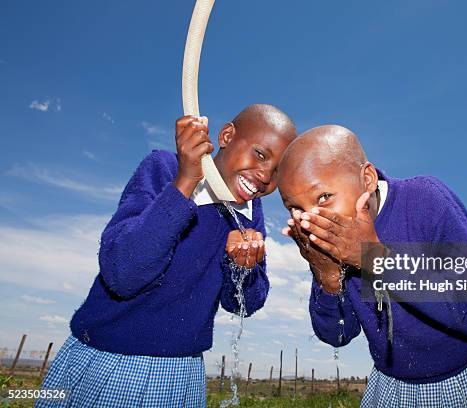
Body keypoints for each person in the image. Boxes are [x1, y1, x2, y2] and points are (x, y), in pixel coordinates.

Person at [36, 104, 297, 407]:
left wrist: (242, 268)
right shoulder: (165, 170)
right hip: (102, 359)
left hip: (179, 373)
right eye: (260, 155)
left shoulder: (250, 215)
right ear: (226, 136)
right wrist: (184, 183)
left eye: (278, 171)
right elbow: (123, 273)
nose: (266, 175)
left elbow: (243, 305)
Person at [278, 125, 467, 407]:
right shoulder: (323, 239)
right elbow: (337, 334)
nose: (309, 220)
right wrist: (327, 276)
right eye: (295, 208)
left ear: (366, 179)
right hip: (395, 388)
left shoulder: (426, 201)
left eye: (323, 197)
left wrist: (373, 258)